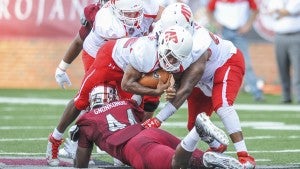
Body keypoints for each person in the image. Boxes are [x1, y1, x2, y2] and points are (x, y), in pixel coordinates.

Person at [46, 26, 193, 166]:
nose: (173, 61)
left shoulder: (174, 54)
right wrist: (156, 92)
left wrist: (172, 87)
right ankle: (55, 138)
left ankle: (126, 148)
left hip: (132, 69)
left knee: (133, 108)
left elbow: (173, 76)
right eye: (171, 56)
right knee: (81, 100)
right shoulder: (145, 52)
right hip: (110, 60)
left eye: (176, 58)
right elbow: (126, 84)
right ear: (162, 44)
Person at [137, 3, 256, 169]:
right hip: (201, 79)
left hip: (226, 63)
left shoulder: (199, 45)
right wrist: (170, 82)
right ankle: (217, 146)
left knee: (222, 105)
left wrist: (158, 119)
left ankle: (245, 156)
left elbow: (185, 89)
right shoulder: (160, 29)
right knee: (194, 126)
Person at [73, 84, 243, 169]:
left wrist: (79, 139)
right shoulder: (125, 104)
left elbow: (81, 164)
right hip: (152, 134)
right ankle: (211, 153)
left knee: (178, 164)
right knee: (195, 161)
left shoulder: (87, 120)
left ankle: (197, 131)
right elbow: (145, 114)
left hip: (135, 147)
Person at [206, 0, 265, 102]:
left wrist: (248, 25)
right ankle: (210, 92)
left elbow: (256, 10)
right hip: (223, 32)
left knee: (246, 64)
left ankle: (257, 93)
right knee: (217, 63)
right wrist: (215, 23)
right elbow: (208, 10)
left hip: (239, 32)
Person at [55, 0, 103, 89]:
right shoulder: (96, 13)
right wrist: (62, 68)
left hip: (125, 61)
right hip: (97, 58)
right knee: (98, 94)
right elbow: (79, 41)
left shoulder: (135, 13)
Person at [264, 0, 300, 104]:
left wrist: (279, 12)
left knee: (298, 67)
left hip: (296, 35)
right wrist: (280, 12)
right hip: (279, 35)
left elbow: (289, 11)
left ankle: (298, 96)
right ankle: (286, 96)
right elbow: (269, 12)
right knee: (282, 67)